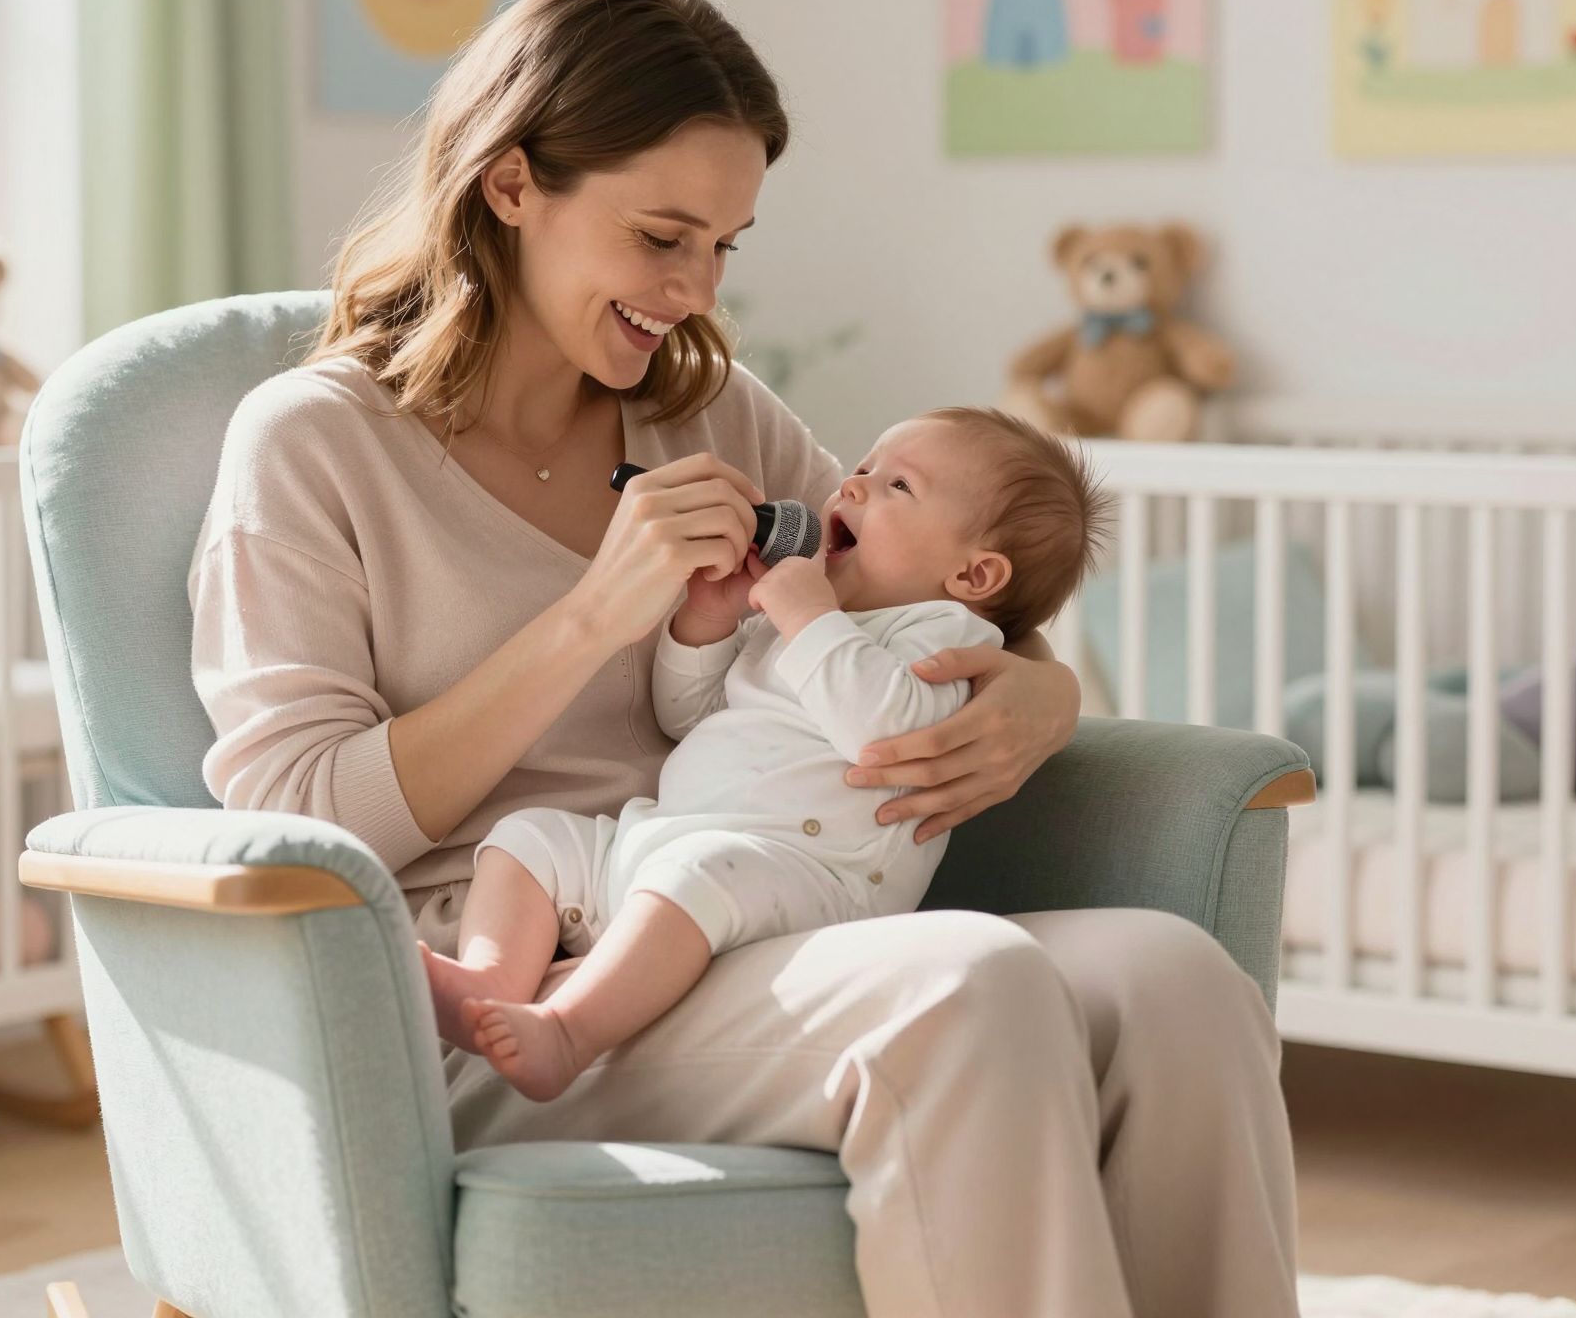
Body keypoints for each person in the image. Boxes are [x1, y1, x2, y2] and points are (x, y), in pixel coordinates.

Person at [188, 0, 1298, 1318]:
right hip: (516, 983)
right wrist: (597, 611)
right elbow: (296, 817)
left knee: (1176, 982)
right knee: (966, 984)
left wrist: (1042, 698)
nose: (697, 290)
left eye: (726, 244)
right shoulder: (311, 446)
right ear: (512, 183)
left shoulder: (712, 413)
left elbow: (936, 599)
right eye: (663, 237)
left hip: (765, 918)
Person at [420, 407, 1108, 1102]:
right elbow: (691, 716)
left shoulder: (940, 635)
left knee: (696, 873)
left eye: (899, 486)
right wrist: (708, 621)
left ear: (974, 576)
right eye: (863, 467)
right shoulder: (810, 617)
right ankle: (490, 984)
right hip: (665, 845)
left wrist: (810, 618)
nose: (854, 488)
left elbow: (884, 731)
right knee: (530, 838)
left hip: (803, 876)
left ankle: (567, 1032)